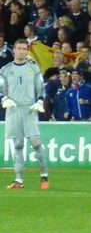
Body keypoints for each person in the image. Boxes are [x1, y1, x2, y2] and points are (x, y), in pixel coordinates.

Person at [0, 40, 48, 189]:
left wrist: (39, 101)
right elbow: (1, 89)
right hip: (13, 110)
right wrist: (4, 99)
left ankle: (44, 175)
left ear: (27, 51)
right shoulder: (5, 70)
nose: (22, 51)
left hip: (29, 108)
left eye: (24, 49)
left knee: (36, 143)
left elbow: (41, 88)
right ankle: (19, 179)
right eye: (19, 48)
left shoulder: (33, 68)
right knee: (18, 144)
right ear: (14, 50)